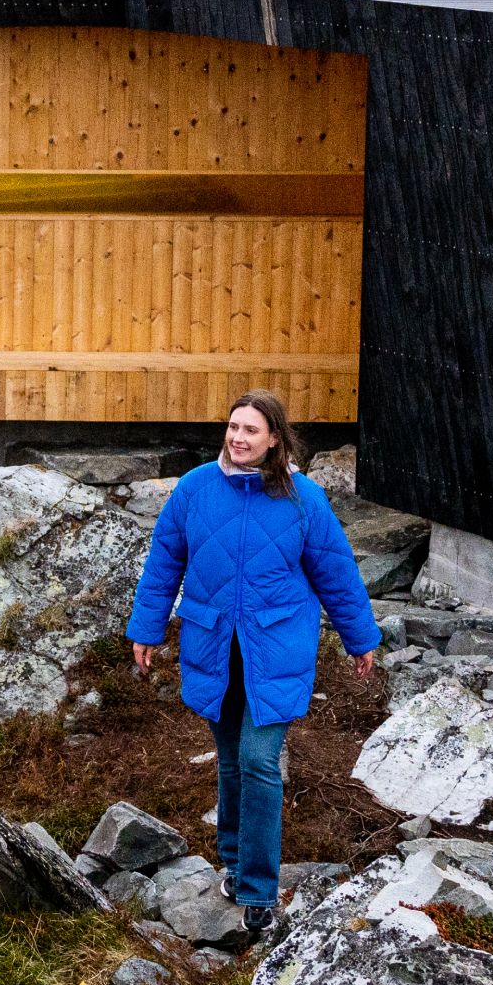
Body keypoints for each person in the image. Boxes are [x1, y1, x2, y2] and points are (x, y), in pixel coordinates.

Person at [125, 390, 384, 929]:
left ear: (274, 439)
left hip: (276, 651)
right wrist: (146, 629)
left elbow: (336, 572)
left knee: (260, 760)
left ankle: (260, 892)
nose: (238, 438)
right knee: (229, 760)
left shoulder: (304, 499)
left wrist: (360, 639)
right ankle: (236, 862)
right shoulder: (195, 489)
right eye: (233, 426)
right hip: (213, 647)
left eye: (251, 430)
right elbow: (163, 563)